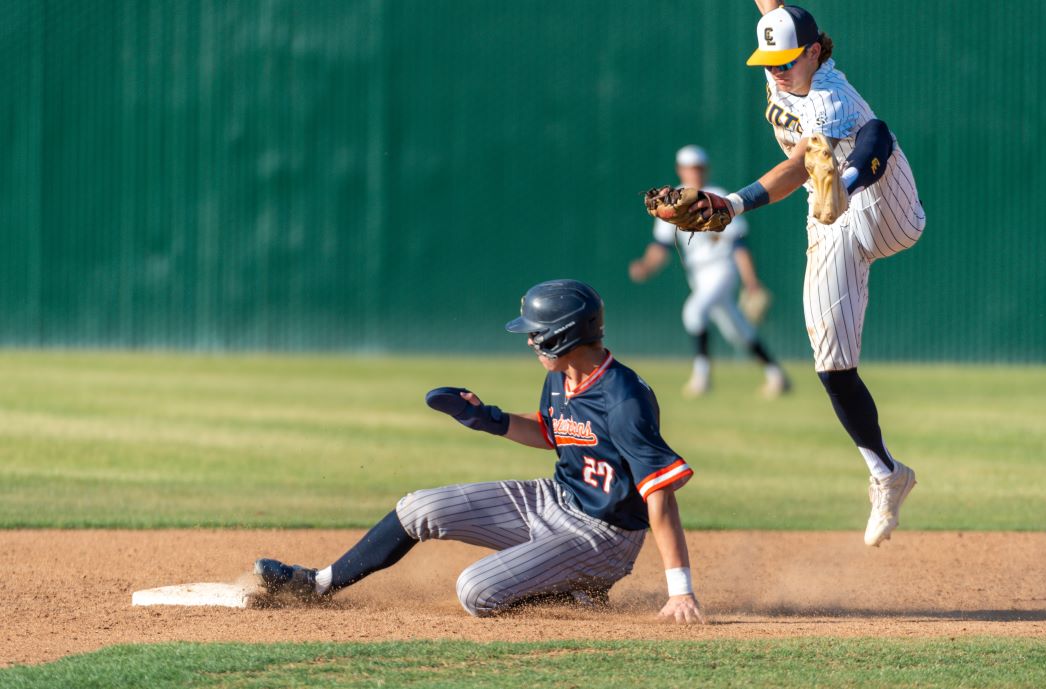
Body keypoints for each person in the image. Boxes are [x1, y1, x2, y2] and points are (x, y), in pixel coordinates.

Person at [254, 279, 705, 623]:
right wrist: (488, 419)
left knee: (476, 590)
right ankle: (317, 584)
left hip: (603, 537)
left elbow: (660, 494)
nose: (530, 341)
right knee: (418, 508)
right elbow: (553, 432)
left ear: (562, 336)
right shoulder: (562, 375)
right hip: (555, 499)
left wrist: (679, 590)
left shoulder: (624, 399)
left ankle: (579, 589)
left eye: (536, 333)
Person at [645, 3, 925, 546]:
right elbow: (771, 6)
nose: (775, 71)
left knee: (874, 132)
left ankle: (843, 179)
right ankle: (886, 473)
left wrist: (734, 202)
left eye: (786, 61)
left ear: (815, 52)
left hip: (886, 206)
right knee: (831, 363)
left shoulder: (827, 93)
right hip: (828, 222)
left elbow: (797, 165)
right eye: (767, 63)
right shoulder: (785, 64)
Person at [629, 145, 791, 399]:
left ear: (705, 169)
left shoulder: (717, 197)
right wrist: (647, 266)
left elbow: (739, 244)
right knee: (736, 330)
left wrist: (751, 281)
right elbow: (661, 246)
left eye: (699, 168)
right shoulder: (670, 202)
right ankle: (776, 375)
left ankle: (701, 377)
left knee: (694, 311)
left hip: (721, 269)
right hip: (697, 275)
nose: (695, 172)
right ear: (680, 170)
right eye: (690, 168)